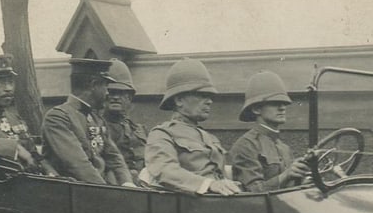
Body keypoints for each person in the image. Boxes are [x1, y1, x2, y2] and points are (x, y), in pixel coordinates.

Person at [144, 59, 241, 195]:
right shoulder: (162, 134)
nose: (209, 101)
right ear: (179, 101)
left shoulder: (209, 137)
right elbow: (165, 170)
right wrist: (208, 184)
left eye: (209, 96)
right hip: (189, 206)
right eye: (202, 95)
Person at [41, 58, 135, 186]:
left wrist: (127, 183)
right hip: (72, 193)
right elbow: (78, 164)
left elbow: (114, 158)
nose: (107, 93)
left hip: (96, 190)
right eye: (105, 86)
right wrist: (109, 193)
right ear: (93, 84)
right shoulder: (58, 118)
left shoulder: (97, 119)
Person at [229, 71, 310, 192]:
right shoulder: (246, 146)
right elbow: (252, 192)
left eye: (284, 103)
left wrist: (303, 180)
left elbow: (289, 189)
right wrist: (286, 175)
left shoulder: (284, 148)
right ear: (256, 109)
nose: (282, 108)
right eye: (275, 103)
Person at [101, 59, 148, 181]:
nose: (116, 97)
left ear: (129, 97)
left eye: (121, 93)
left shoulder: (139, 129)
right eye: (111, 92)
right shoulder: (98, 127)